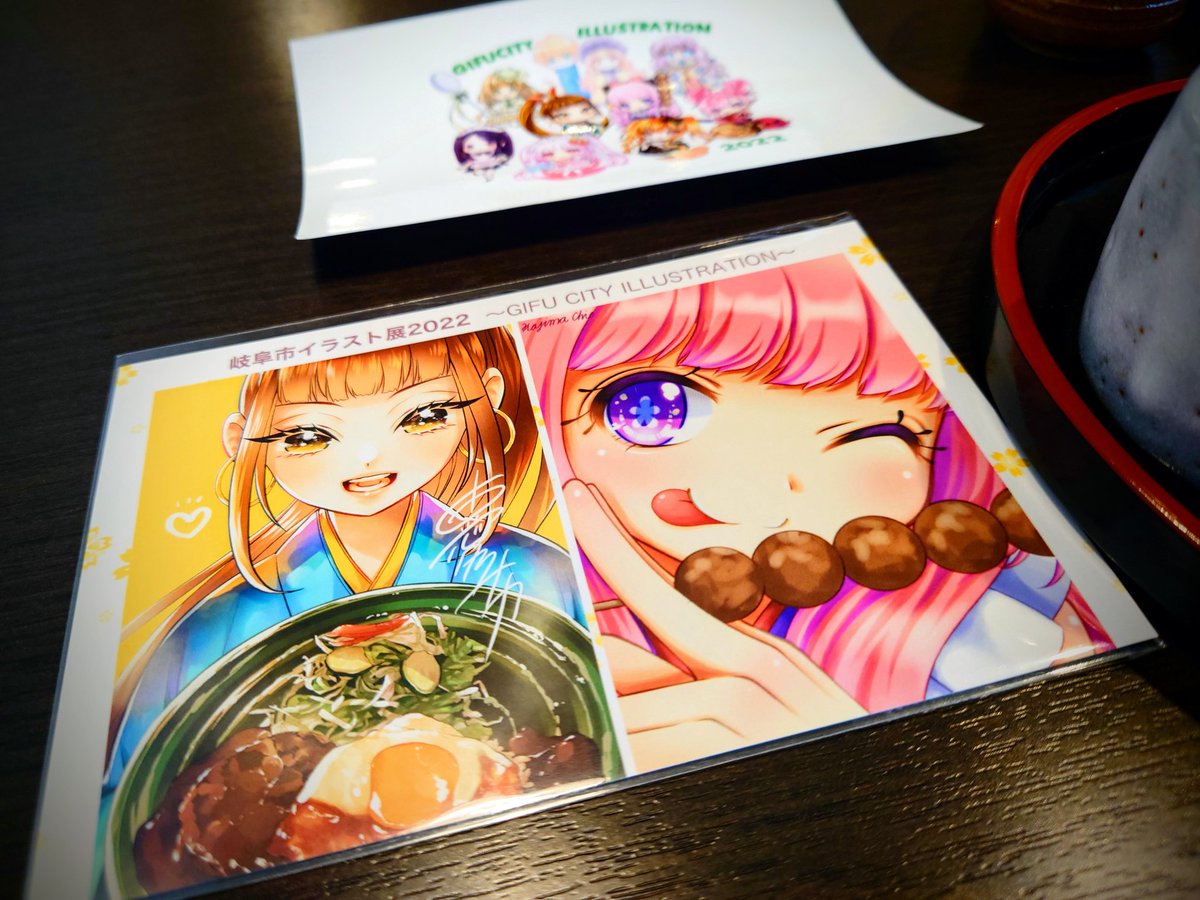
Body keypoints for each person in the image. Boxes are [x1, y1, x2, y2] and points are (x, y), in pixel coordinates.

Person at [522, 256, 1112, 771]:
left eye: (878, 436)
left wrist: (843, 752)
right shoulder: (528, 611)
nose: (763, 490)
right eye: (651, 406)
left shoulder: (975, 634)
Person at [107, 330, 581, 782]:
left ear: (487, 396)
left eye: (424, 415)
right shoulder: (220, 624)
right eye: (307, 436)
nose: (368, 455)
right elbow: (139, 787)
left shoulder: (534, 571)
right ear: (240, 440)